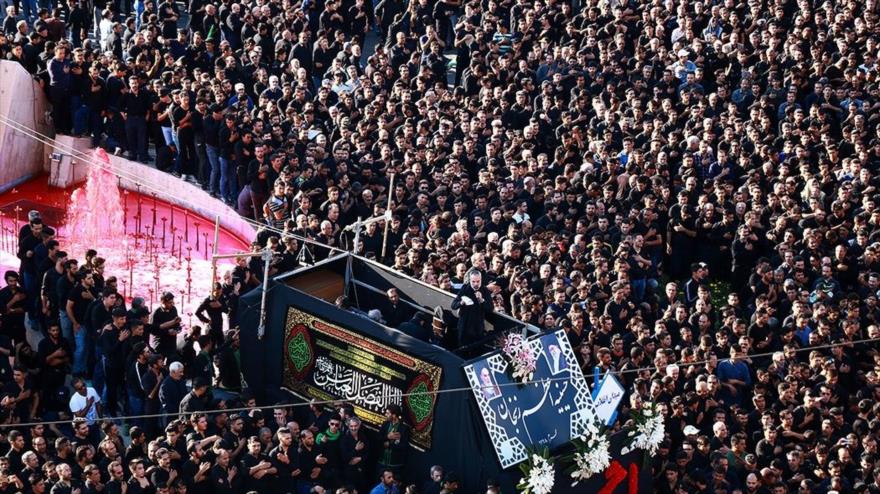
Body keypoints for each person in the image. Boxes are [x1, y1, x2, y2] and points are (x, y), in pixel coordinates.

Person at [450, 269, 493, 349]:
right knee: (463, 349)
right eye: (473, 281)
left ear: (481, 280)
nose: (476, 284)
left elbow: (490, 309)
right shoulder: (465, 288)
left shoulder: (485, 290)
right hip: (464, 326)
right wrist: (461, 302)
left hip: (477, 327)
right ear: (470, 280)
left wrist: (482, 300)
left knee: (476, 349)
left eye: (478, 281)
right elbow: (453, 305)